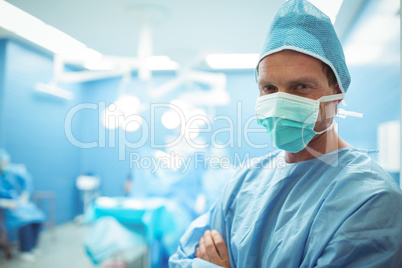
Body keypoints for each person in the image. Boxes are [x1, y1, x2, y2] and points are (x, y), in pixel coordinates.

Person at [169, 0, 402, 267]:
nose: (280, 102)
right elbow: (182, 259)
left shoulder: (371, 200)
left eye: (301, 86)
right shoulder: (245, 182)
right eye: (268, 88)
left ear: (336, 95)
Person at [0, 148, 45, 262]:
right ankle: (25, 251)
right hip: (6, 208)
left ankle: (32, 247)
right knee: (25, 220)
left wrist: (25, 194)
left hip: (17, 202)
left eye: (6, 162)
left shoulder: (12, 170)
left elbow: (27, 179)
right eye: (3, 163)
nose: (6, 165)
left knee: (38, 217)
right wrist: (4, 203)